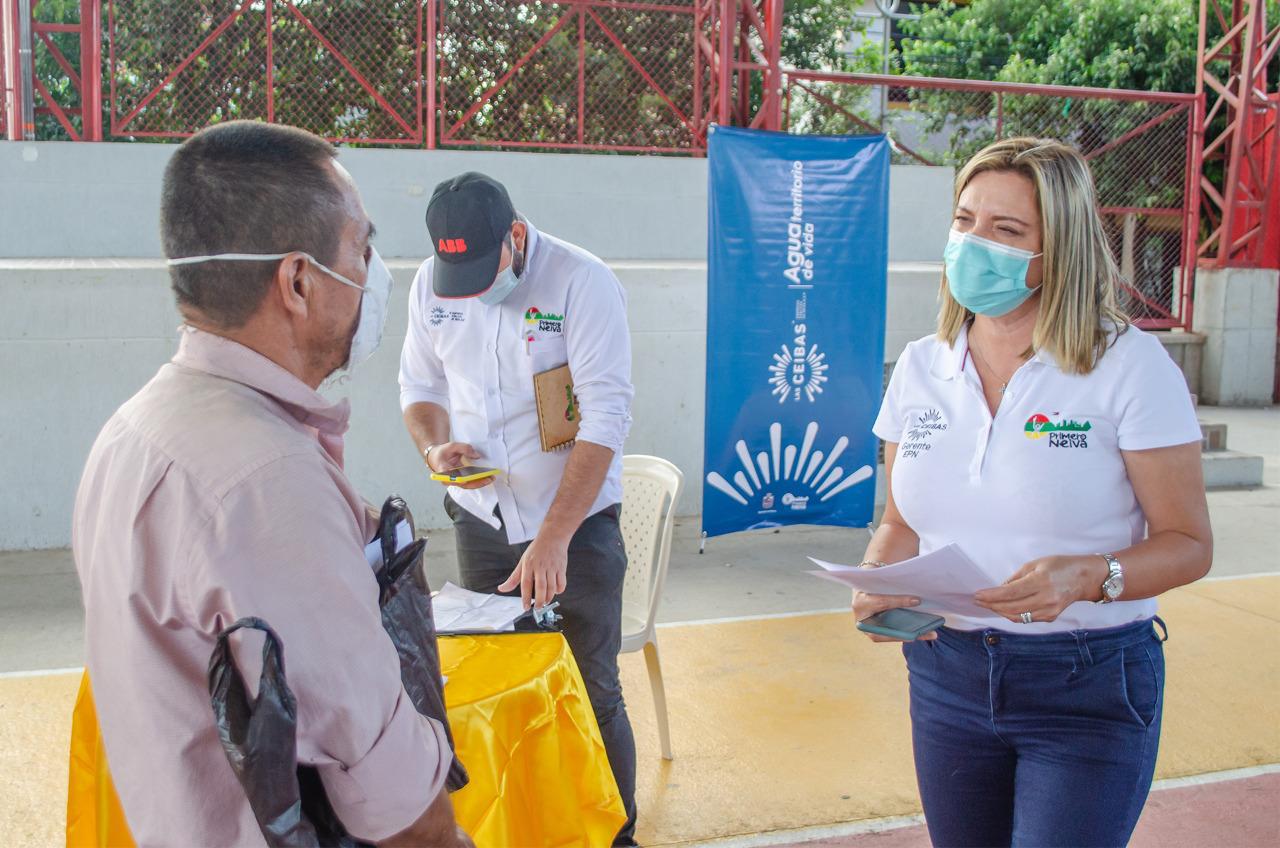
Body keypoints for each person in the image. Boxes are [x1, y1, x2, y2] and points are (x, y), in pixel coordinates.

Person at [72, 121, 471, 847]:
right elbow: (398, 810)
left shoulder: (133, 430)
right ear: (297, 281)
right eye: (362, 248)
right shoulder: (266, 484)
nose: (375, 272)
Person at [857, 137, 1213, 847]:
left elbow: (1189, 545)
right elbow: (900, 523)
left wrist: (1089, 576)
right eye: (965, 222)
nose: (973, 244)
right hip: (946, 673)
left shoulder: (1128, 366)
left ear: (1060, 250)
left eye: (1007, 230)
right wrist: (877, 578)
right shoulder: (923, 367)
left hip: (1086, 682)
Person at [399, 172, 638, 845]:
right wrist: (435, 447)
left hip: (574, 529)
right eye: (459, 274)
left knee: (590, 685)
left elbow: (605, 419)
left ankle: (617, 836)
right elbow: (419, 387)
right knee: (500, 681)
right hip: (482, 518)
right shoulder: (430, 286)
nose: (474, 289)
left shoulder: (581, 283)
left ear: (516, 235)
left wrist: (555, 537)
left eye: (484, 268)